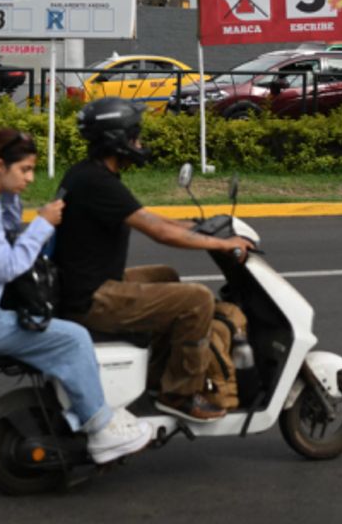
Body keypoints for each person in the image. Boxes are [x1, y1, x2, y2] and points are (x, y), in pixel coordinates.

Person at [0, 128, 152, 464]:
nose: (30, 178)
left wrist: (13, 199)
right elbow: (8, 266)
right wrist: (43, 224)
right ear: (0, 165)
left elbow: (6, 236)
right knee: (74, 338)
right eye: (25, 170)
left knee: (55, 323)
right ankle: (100, 428)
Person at [52, 97, 255, 422]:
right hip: (93, 297)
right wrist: (219, 244)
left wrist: (202, 227)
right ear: (117, 139)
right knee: (197, 300)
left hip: (81, 285)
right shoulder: (99, 183)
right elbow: (158, 232)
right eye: (135, 135)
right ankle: (180, 394)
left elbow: (147, 218)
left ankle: (158, 371)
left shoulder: (88, 175)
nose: (139, 142)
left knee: (166, 275)